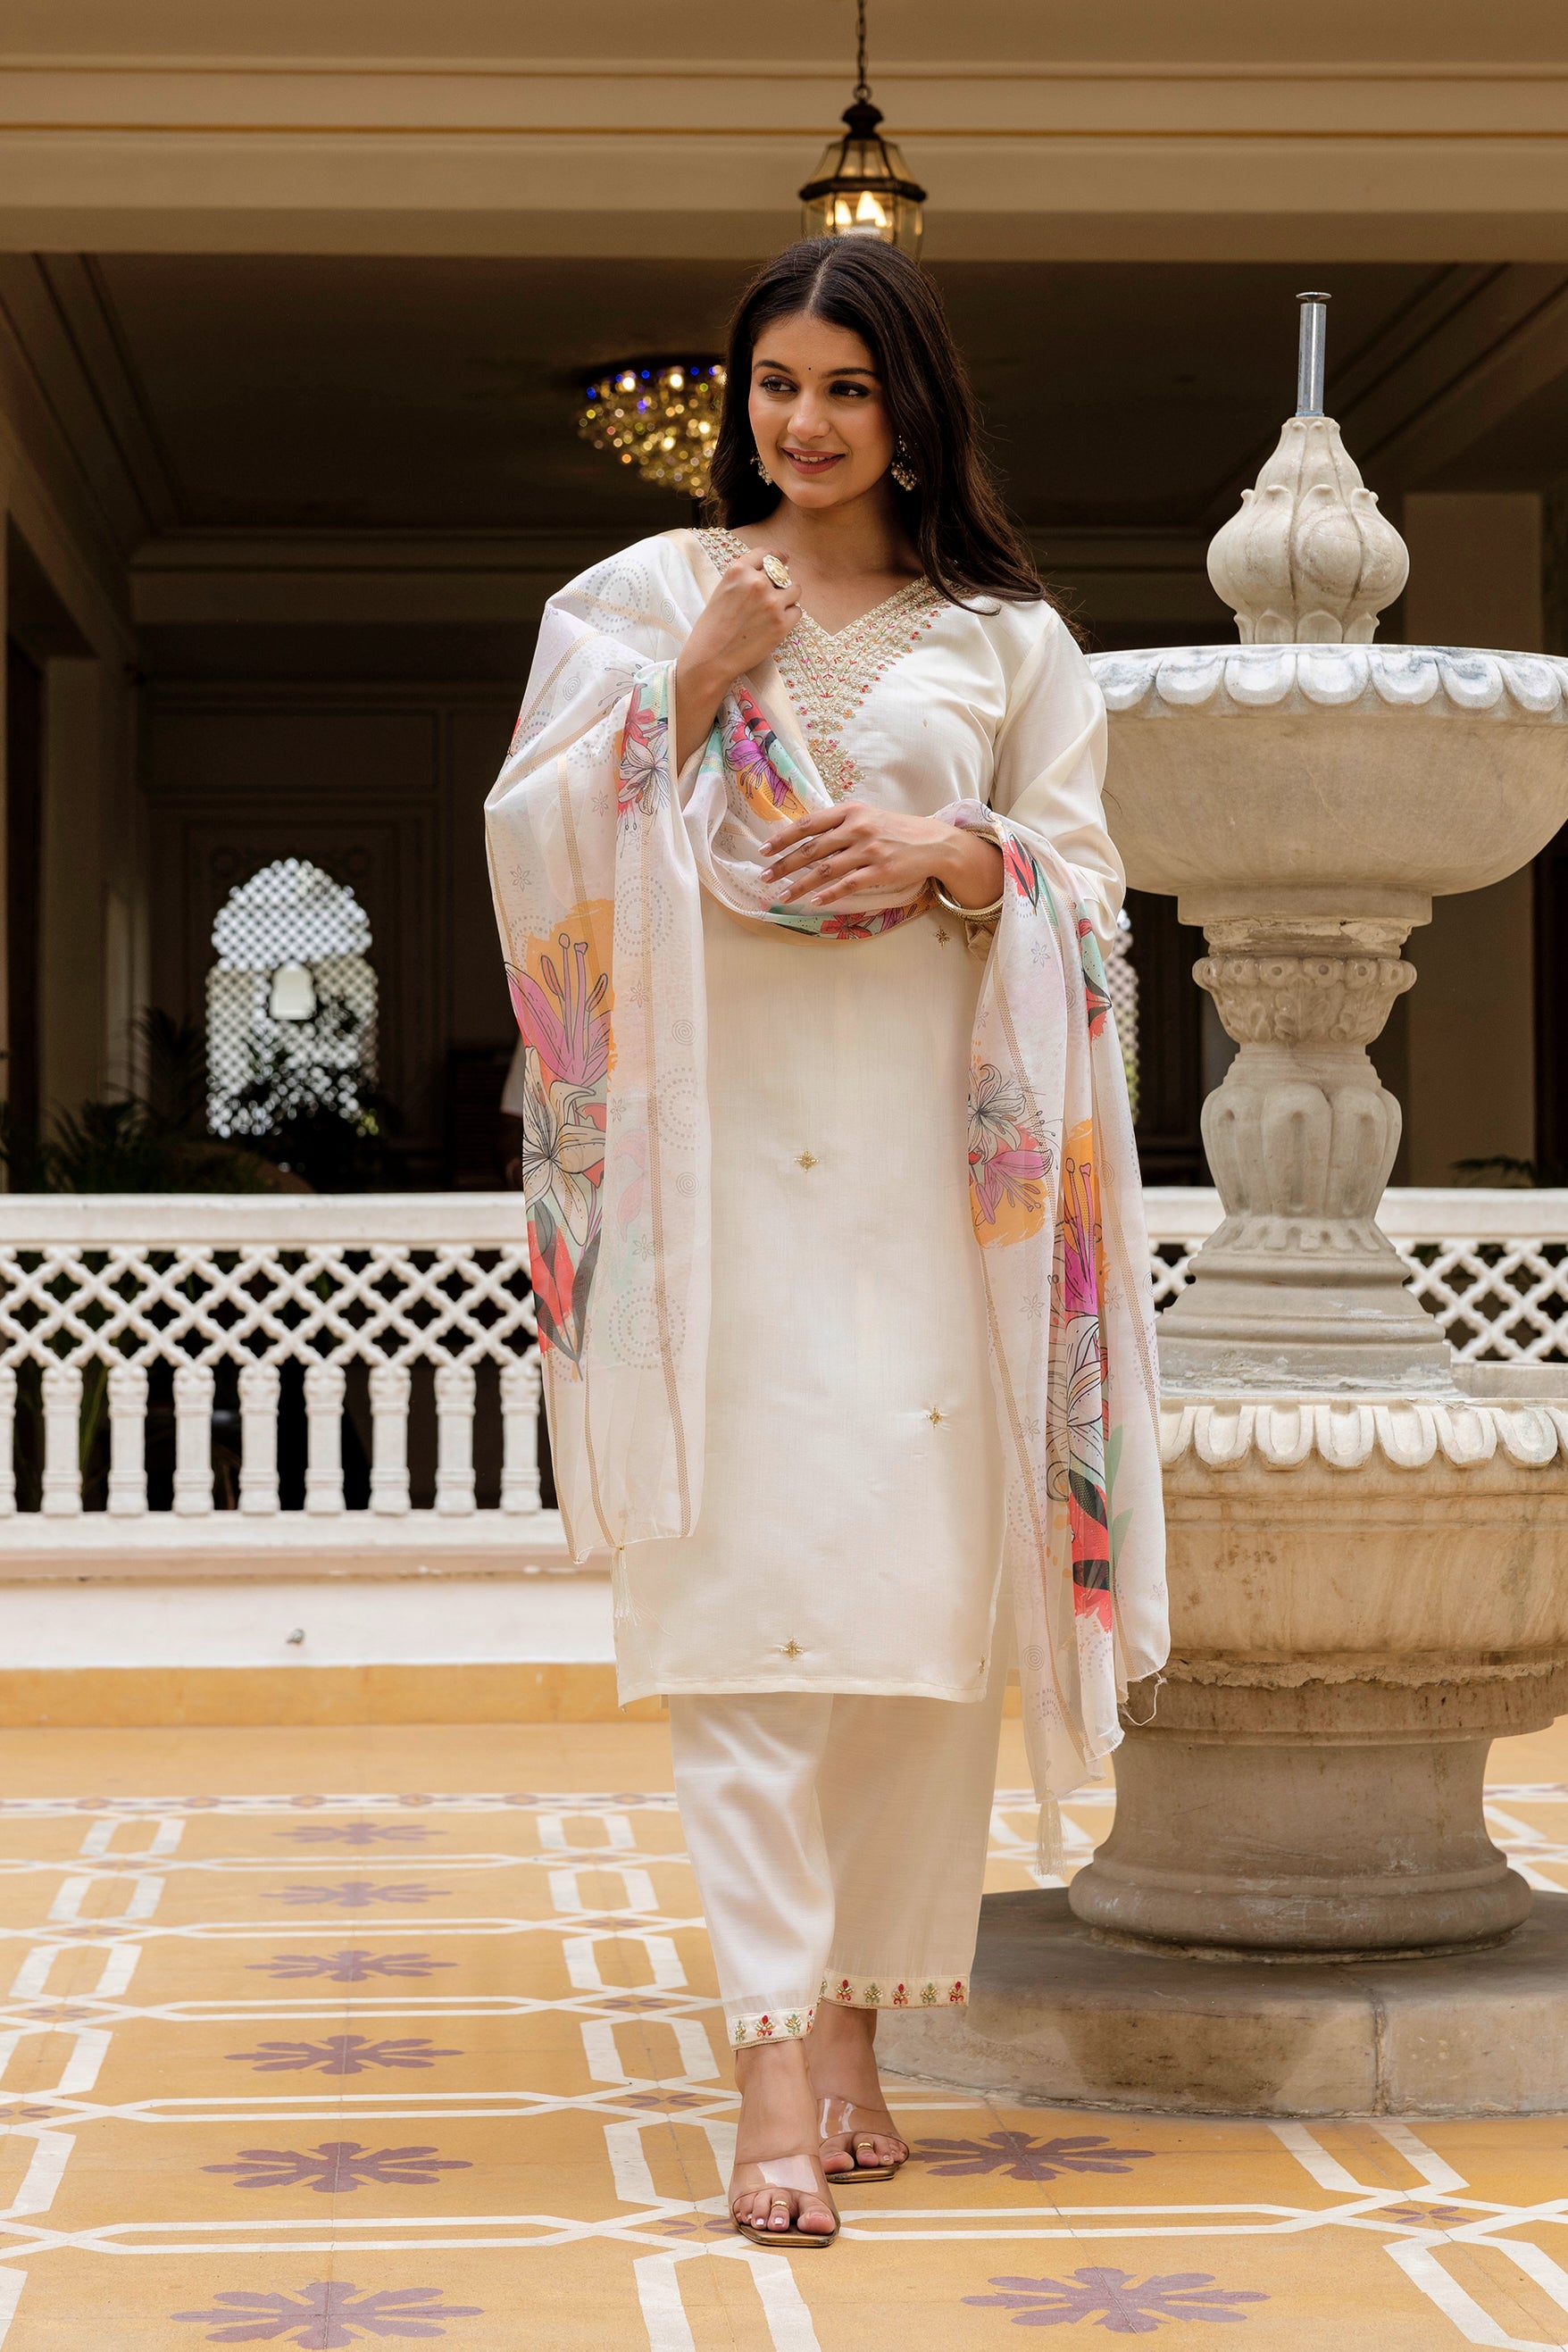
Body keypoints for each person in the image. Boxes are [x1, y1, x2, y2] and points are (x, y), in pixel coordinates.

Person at [486, 237, 1165, 2249]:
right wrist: (688, 694)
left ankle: (865, 2019)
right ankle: (768, 2058)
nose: (798, 422)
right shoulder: (636, 603)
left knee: (909, 1636)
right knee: (749, 1617)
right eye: (769, 383)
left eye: (841, 388)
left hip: (932, 1192)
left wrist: (959, 854)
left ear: (911, 410)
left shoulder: (1006, 639)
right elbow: (535, 853)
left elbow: (1091, 894)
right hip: (710, 1206)